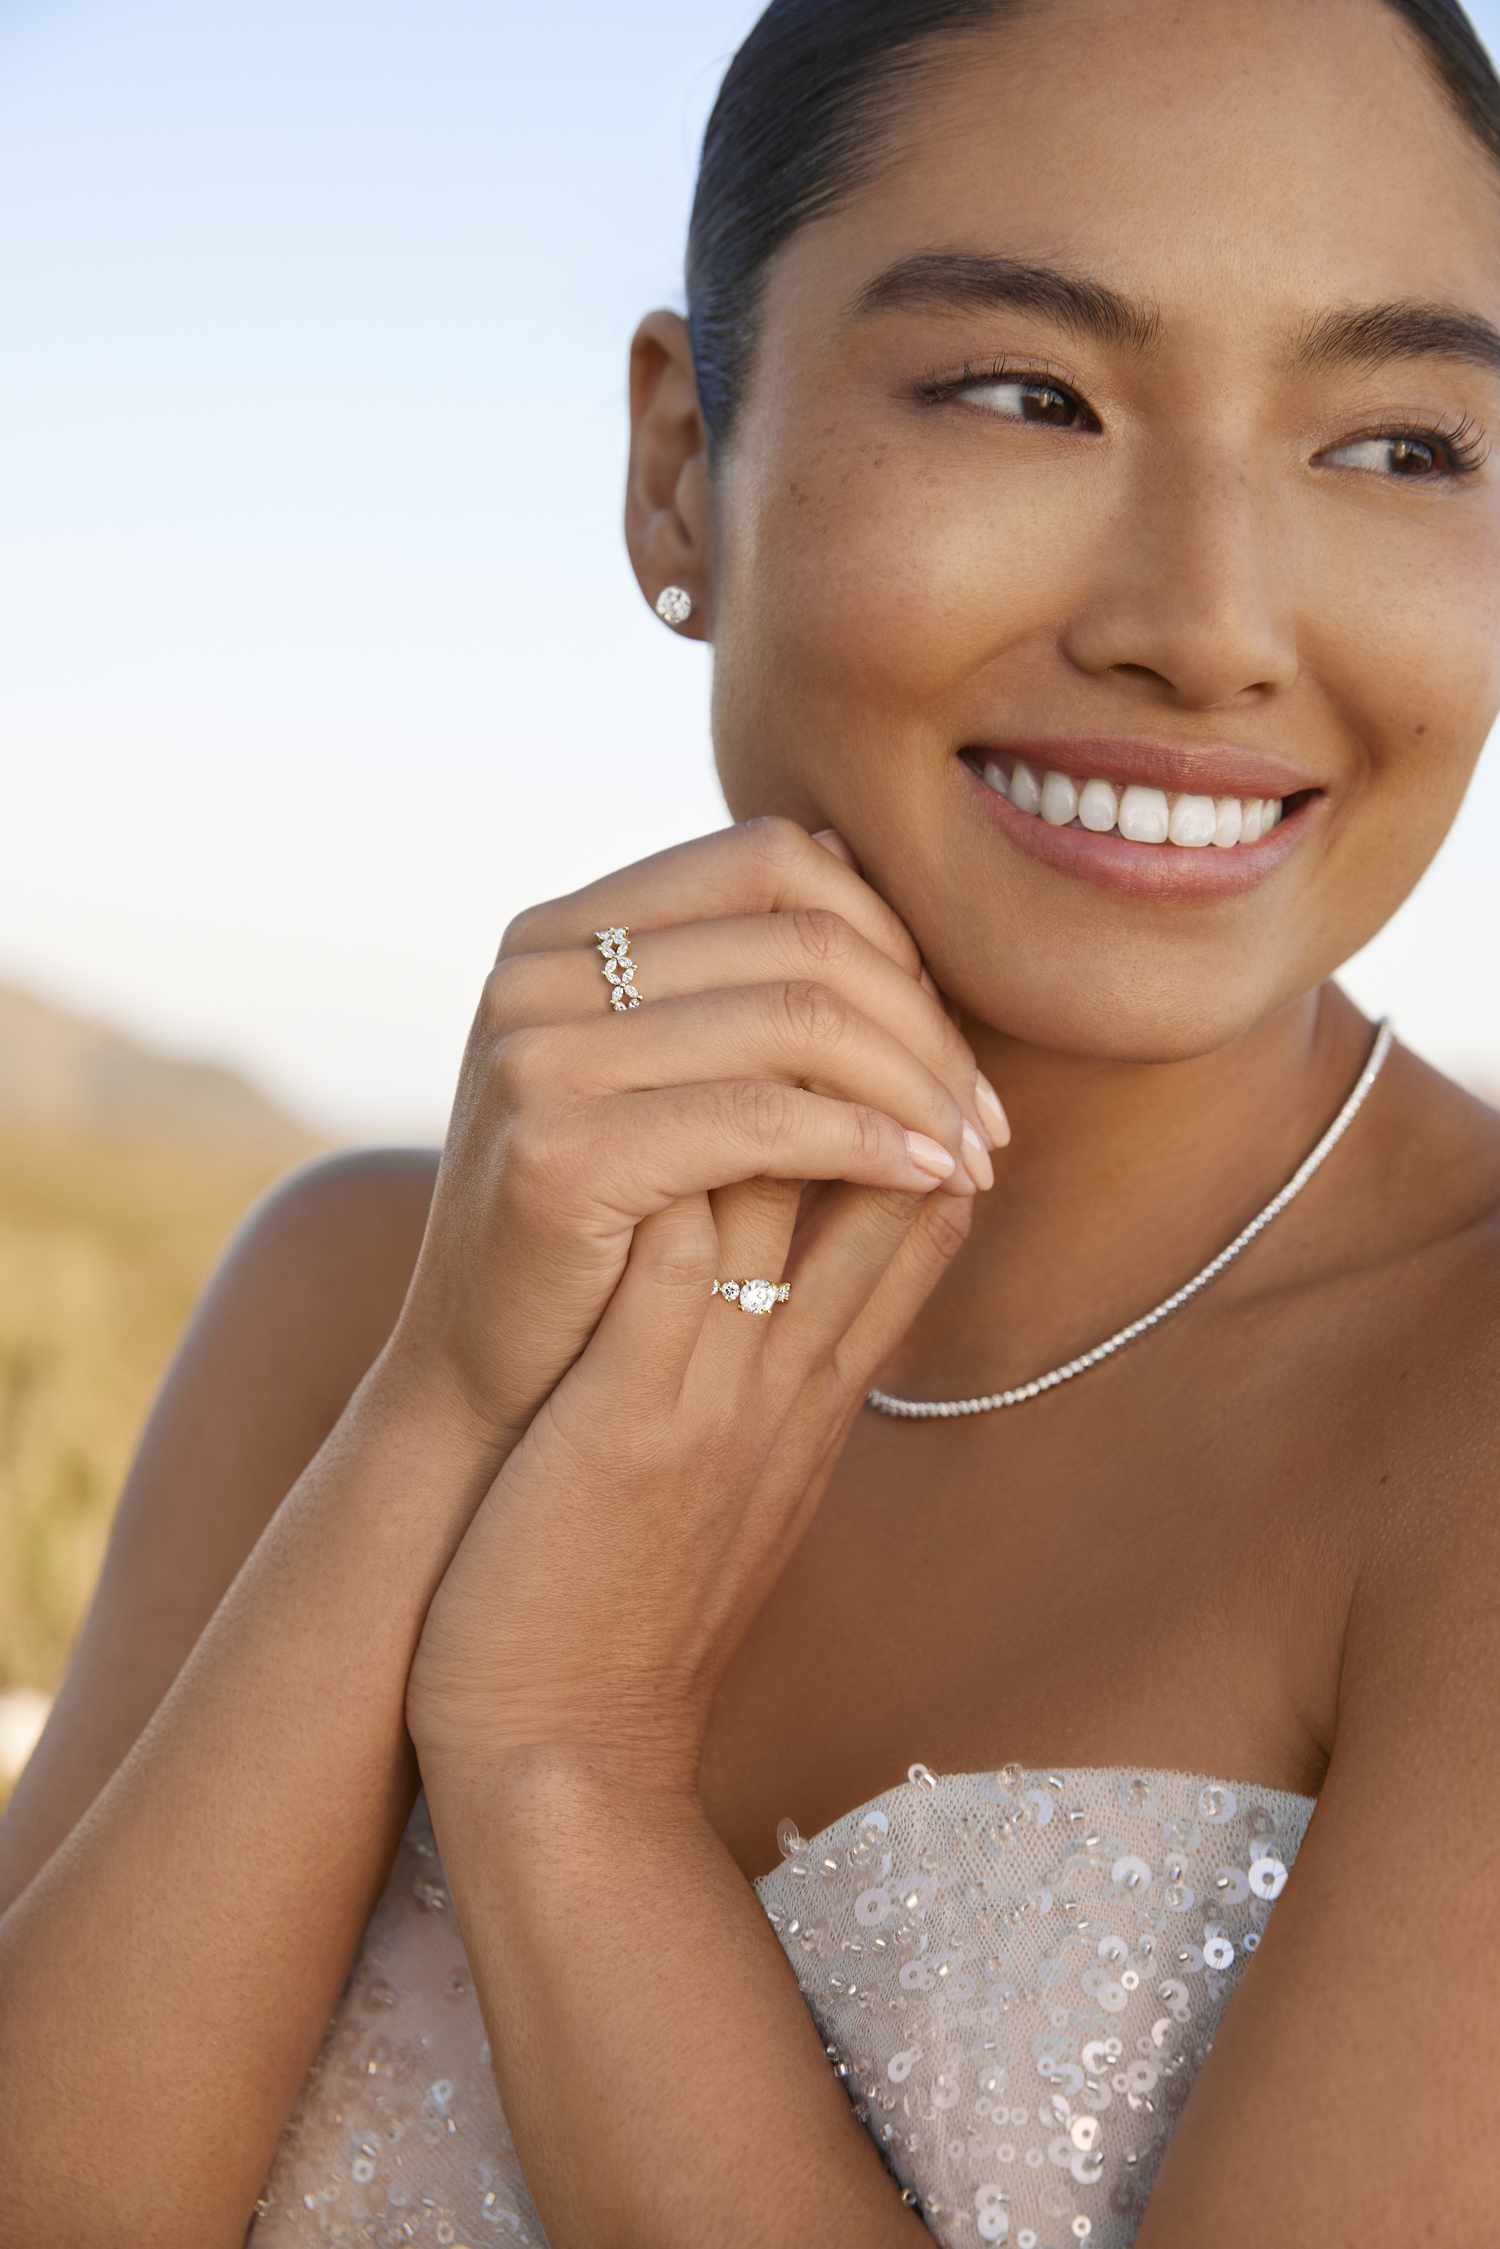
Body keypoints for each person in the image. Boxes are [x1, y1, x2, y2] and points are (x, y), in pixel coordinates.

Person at [2, 0, 1499, 2239]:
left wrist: (563, 1768)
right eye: (1031, 393)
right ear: (680, 466)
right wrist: (443, 1409)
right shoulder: (355, 1302)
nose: (1210, 628)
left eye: (1398, 446)